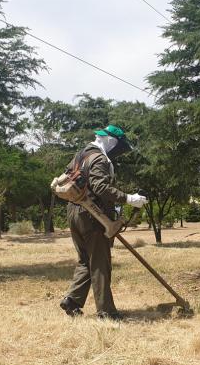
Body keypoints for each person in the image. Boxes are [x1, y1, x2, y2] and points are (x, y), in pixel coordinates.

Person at [59, 125, 147, 319]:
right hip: (93, 217)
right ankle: (106, 312)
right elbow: (100, 187)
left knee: (85, 260)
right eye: (118, 146)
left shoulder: (80, 155)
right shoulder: (99, 158)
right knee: (100, 263)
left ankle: (72, 301)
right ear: (109, 141)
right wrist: (129, 198)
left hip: (74, 213)